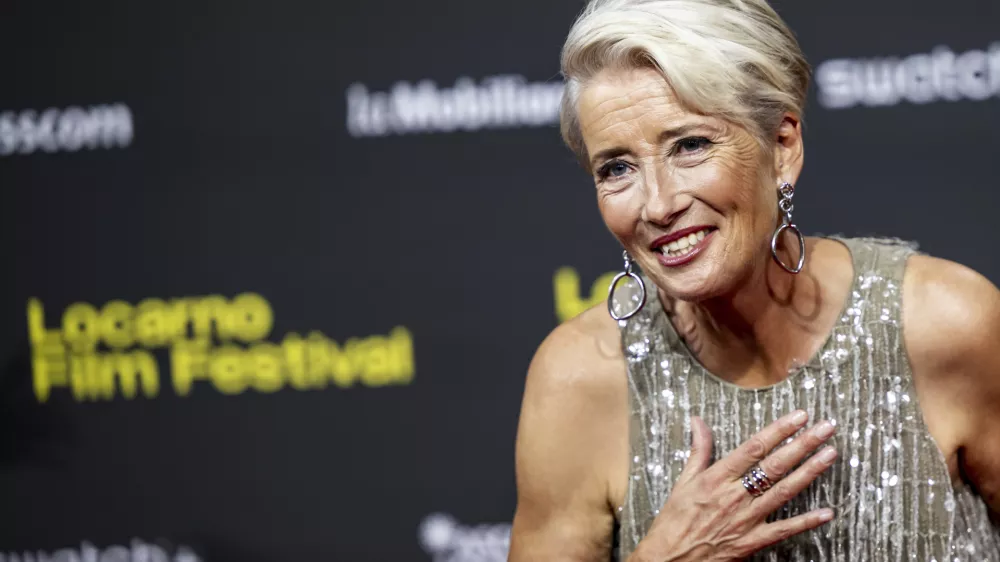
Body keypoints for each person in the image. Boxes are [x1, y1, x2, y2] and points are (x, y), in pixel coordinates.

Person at [507, 0, 1000, 560]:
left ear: (782, 146)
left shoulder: (946, 324)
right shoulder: (580, 379)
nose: (659, 204)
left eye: (690, 145)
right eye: (617, 168)